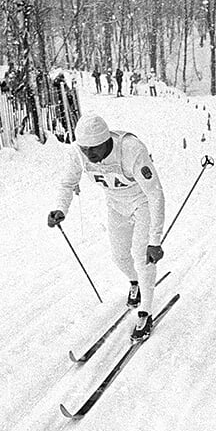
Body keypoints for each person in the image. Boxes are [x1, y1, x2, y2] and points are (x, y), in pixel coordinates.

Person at [47, 114, 165, 342]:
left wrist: (155, 241)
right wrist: (61, 208)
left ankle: (145, 312)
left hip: (141, 203)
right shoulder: (78, 153)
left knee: (142, 258)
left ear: (106, 141)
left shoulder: (131, 149)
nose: (89, 155)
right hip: (116, 205)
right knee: (120, 258)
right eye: (84, 149)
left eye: (94, 149)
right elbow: (68, 182)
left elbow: (155, 193)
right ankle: (135, 283)